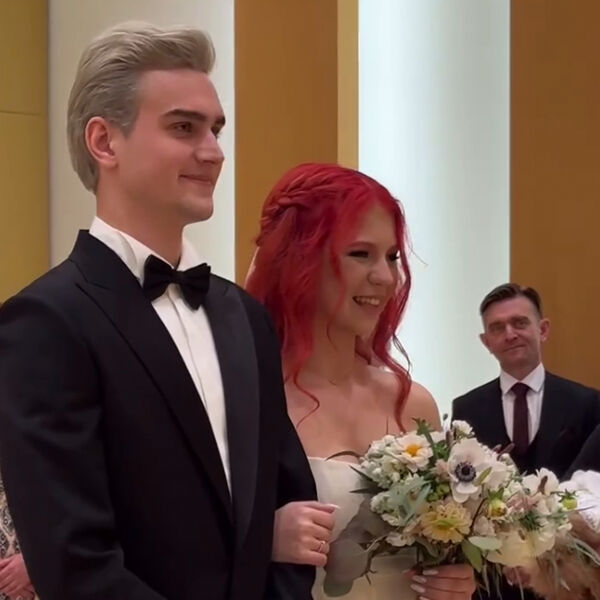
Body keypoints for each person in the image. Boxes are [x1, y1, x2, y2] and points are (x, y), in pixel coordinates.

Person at [0, 23, 316, 600]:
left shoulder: (245, 317)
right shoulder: (46, 323)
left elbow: (288, 506)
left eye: (216, 129)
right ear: (104, 142)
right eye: (183, 127)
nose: (213, 151)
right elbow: (74, 563)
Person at [246, 163, 477, 600]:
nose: (386, 277)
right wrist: (262, 540)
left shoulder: (413, 405)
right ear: (299, 259)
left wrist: (455, 581)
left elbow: (441, 547)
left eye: (392, 257)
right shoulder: (250, 399)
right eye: (360, 254)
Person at [452, 283, 600, 600]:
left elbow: (591, 492)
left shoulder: (587, 403)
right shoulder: (466, 409)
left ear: (542, 329)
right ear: (486, 341)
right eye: (497, 328)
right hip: (491, 583)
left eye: (520, 323)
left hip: (566, 584)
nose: (510, 334)